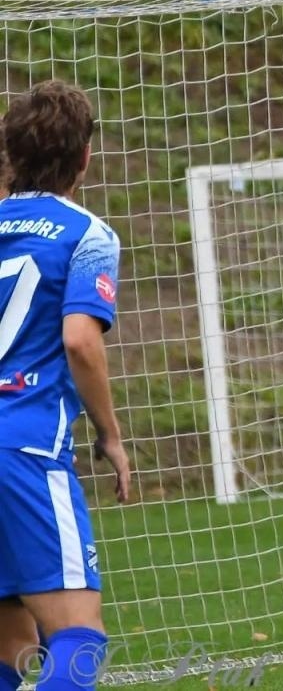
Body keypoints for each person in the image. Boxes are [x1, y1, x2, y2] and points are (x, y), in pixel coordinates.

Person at [0, 81, 131, 691]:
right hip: (26, 446)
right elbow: (80, 338)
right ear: (84, 158)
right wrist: (110, 434)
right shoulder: (88, 235)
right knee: (79, 643)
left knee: (10, 648)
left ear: (11, 154)